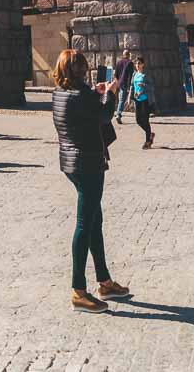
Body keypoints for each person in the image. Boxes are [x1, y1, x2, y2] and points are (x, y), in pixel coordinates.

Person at [51, 49, 130, 314]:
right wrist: (111, 91)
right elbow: (105, 113)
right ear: (78, 72)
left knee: (95, 221)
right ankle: (78, 291)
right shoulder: (82, 96)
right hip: (88, 163)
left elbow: (86, 110)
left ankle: (104, 282)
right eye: (83, 69)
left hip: (71, 163)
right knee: (85, 224)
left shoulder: (59, 94)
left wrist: (96, 93)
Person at [130, 56, 156, 148]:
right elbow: (132, 86)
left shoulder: (146, 75)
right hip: (137, 100)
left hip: (145, 100)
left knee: (145, 120)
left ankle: (147, 142)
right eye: (136, 63)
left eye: (139, 63)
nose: (137, 65)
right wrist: (130, 97)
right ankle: (150, 134)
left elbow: (152, 87)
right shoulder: (134, 74)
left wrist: (144, 85)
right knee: (138, 120)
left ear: (143, 64)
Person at [113, 48, 134, 122]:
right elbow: (130, 75)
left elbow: (115, 75)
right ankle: (118, 114)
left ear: (123, 54)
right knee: (124, 100)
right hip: (127, 84)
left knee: (121, 99)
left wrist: (118, 83)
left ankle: (118, 113)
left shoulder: (119, 62)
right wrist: (129, 87)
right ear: (129, 55)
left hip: (120, 83)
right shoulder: (130, 63)